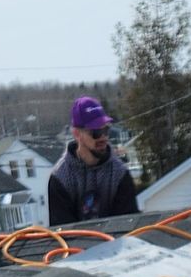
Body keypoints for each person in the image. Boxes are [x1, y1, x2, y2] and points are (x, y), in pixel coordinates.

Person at [47, 95, 138, 226]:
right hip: (76, 245)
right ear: (77, 134)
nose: (103, 137)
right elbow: (63, 233)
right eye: (95, 132)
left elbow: (129, 226)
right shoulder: (60, 178)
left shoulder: (120, 174)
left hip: (117, 244)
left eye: (106, 130)